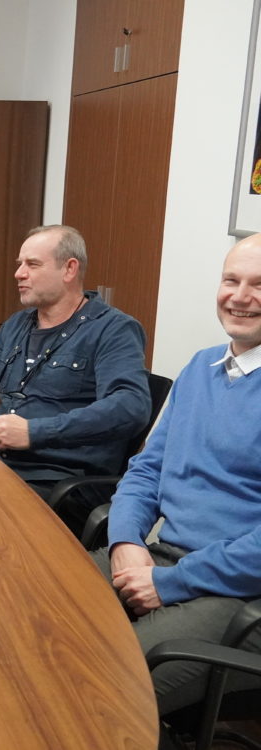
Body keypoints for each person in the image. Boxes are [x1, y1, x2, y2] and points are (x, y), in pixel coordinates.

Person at [93, 232, 261, 716]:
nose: (240, 296)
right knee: (35, 606)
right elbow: (146, 468)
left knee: (104, 682)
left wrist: (171, 584)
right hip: (162, 557)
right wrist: (126, 542)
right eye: (231, 280)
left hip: (239, 596)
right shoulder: (199, 368)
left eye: (258, 284)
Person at [0, 225, 151, 531]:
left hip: (62, 483)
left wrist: (34, 432)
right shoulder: (16, 325)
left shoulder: (113, 330)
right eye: (19, 264)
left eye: (33, 264)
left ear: (69, 269)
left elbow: (131, 406)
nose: (19, 274)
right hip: (1, 466)